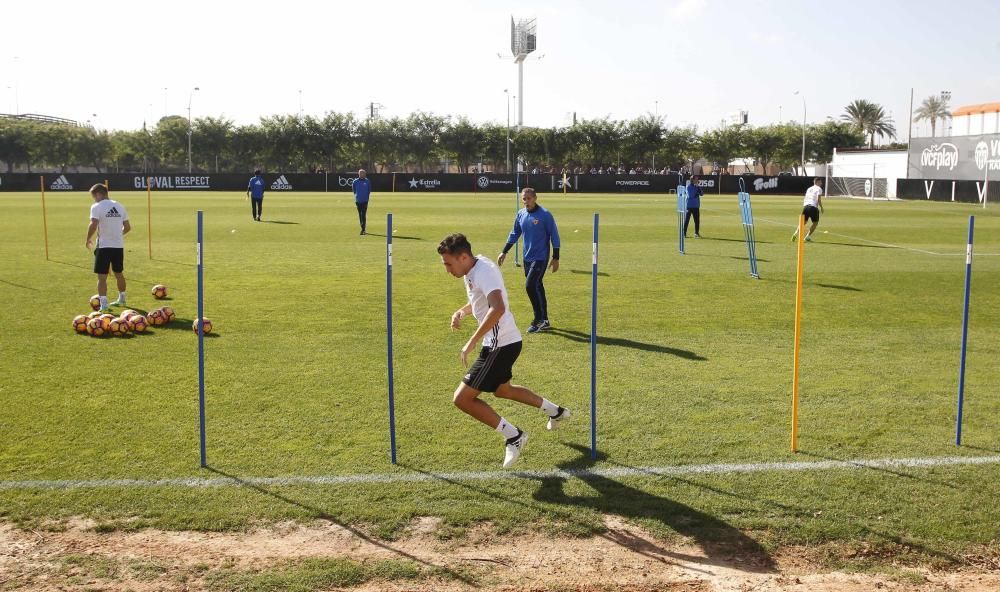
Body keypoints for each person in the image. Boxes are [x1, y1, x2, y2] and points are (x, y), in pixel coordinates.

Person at [438, 233, 571, 468]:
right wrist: (462, 312)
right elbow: (480, 302)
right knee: (503, 390)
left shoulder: (484, 271)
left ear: (463, 257)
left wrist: (471, 342)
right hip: (504, 342)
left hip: (500, 344)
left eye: (448, 263)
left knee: (462, 399)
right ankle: (557, 412)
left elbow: (497, 308)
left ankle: (514, 436)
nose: (447, 270)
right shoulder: (473, 269)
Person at [497, 187, 560, 333]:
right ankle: (545, 320)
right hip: (527, 257)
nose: (526, 201)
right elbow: (515, 233)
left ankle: (538, 320)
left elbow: (554, 236)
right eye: (524, 199)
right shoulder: (521, 214)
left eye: (529, 198)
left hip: (540, 257)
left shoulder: (545, 215)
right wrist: (504, 251)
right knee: (537, 286)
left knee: (530, 285)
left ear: (535, 198)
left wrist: (556, 257)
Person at [85, 183, 131, 312]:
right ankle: (122, 298)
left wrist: (88, 238)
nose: (94, 199)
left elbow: (93, 224)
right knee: (119, 273)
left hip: (104, 246)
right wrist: (117, 234)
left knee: (102, 277)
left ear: (99, 194)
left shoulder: (97, 206)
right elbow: (127, 227)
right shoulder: (120, 206)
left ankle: (104, 304)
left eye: (94, 196)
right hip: (118, 246)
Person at [353, 169, 372, 235]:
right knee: (360, 215)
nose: (362, 174)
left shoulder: (367, 181)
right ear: (358, 174)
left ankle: (363, 229)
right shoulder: (355, 181)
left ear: (365, 174)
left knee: (363, 214)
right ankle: (363, 228)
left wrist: (367, 198)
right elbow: (354, 190)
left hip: (365, 201)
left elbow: (369, 190)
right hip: (358, 200)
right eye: (361, 173)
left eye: (363, 173)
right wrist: (357, 197)